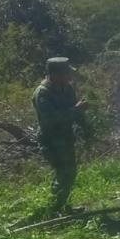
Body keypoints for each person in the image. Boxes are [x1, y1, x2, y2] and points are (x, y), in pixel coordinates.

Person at [32, 57, 88, 213]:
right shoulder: (42, 94)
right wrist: (77, 109)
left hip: (66, 138)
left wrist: (86, 127)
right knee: (63, 173)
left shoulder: (67, 88)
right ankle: (54, 209)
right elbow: (52, 119)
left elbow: (74, 111)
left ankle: (62, 207)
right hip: (51, 140)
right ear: (54, 74)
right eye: (66, 73)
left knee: (70, 173)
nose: (70, 77)